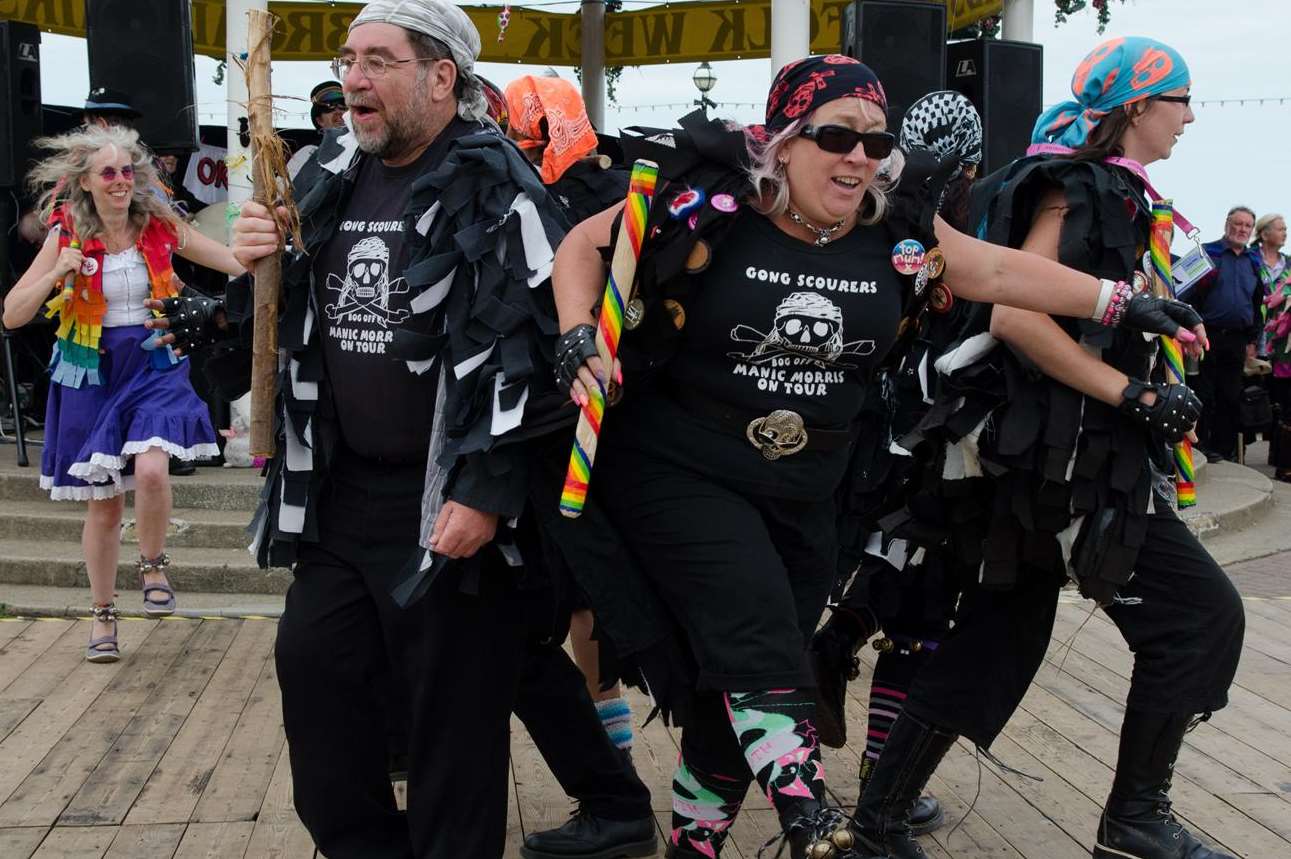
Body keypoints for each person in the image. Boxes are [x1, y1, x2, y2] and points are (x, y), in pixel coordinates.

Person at [551, 54, 1204, 859]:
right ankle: (807, 808)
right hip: (682, 465)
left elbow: (998, 270)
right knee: (757, 638)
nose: (857, 157)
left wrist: (1126, 302)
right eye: (834, 136)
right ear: (783, 141)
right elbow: (584, 243)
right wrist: (578, 332)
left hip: (808, 484)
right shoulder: (713, 207)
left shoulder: (895, 227)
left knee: (748, 677)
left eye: (873, 140)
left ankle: (695, 846)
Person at [159, 2, 654, 857]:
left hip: (451, 512)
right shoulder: (327, 173)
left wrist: (485, 490)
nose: (353, 77)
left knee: (454, 758)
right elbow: (272, 324)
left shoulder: (502, 185)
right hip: (337, 500)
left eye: (379, 60)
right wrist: (252, 261)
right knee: (322, 715)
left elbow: (534, 363)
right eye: (349, 59)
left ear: (440, 77)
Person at [849, 37, 1243, 859]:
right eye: (1178, 99)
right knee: (1197, 615)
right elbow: (1016, 316)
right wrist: (1134, 395)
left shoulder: (1094, 186)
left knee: (1000, 634)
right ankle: (1134, 821)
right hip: (1064, 468)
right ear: (1136, 106)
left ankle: (878, 820)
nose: (1189, 116)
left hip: (1046, 463)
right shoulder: (1087, 184)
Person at [809, 89, 987, 839]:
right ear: (971, 162)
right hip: (936, 448)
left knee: (888, 569)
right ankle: (885, 786)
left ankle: (835, 639)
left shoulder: (872, 214)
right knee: (921, 621)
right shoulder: (963, 224)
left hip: (866, 439)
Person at [1, 125, 243, 662]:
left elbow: (230, 259)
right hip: (91, 369)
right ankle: (103, 614)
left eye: (127, 171)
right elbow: (13, 314)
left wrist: (277, 255)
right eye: (107, 173)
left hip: (154, 358)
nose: (119, 181)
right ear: (84, 182)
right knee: (105, 507)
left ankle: (153, 563)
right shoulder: (64, 235)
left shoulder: (158, 225)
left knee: (154, 470)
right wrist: (57, 272)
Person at [502, 72, 640, 756]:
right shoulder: (619, 190)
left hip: (567, 422)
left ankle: (609, 763)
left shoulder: (549, 198)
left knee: (574, 586)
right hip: (597, 419)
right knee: (587, 590)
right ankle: (608, 752)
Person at [1188, 205, 1263, 461]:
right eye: (1237, 223)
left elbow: (1256, 302)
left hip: (1237, 338)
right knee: (1205, 394)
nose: (1241, 229)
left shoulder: (1254, 260)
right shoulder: (1208, 253)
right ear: (1226, 224)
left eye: (1247, 225)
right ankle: (1202, 447)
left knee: (1230, 396)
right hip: (1206, 335)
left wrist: (1253, 339)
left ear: (1252, 231)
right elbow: (1188, 293)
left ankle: (1224, 450)